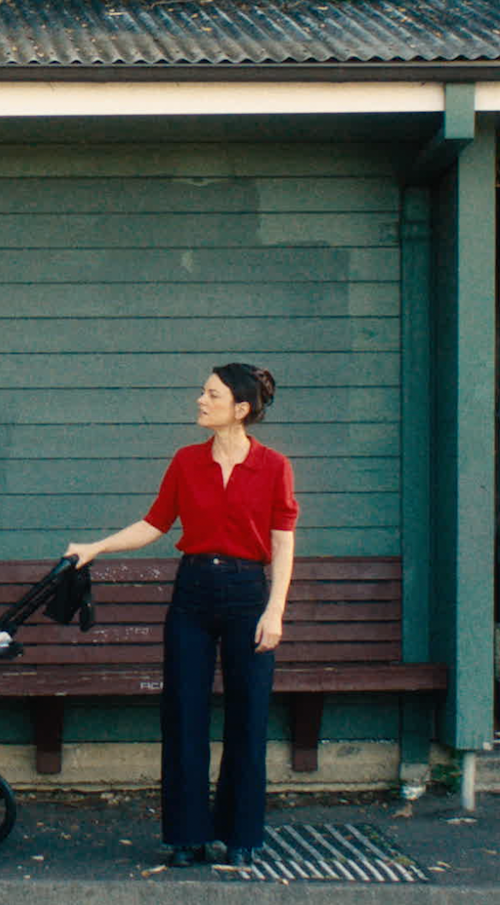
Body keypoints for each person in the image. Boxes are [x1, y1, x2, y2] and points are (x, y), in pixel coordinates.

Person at [66, 363, 296, 869]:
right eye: (202, 392)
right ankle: (186, 837)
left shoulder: (274, 466)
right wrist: (96, 547)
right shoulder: (187, 461)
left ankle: (241, 835)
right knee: (184, 715)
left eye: (211, 394)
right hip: (192, 593)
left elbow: (282, 542)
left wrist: (274, 610)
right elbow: (154, 524)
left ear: (240, 408)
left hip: (247, 595)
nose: (200, 400)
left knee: (248, 718)